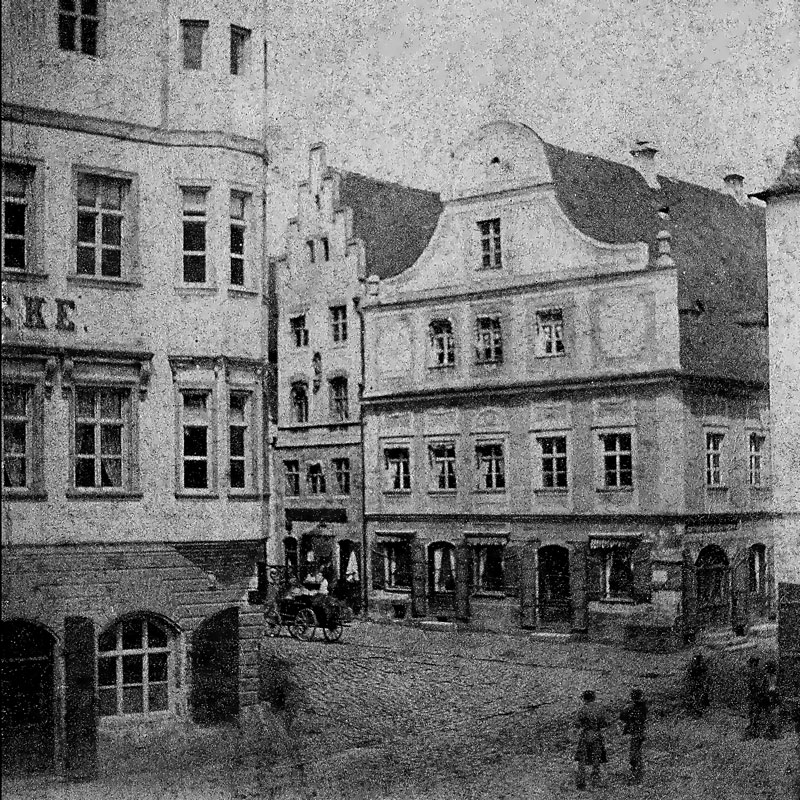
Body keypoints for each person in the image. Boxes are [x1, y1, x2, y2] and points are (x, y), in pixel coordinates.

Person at [574, 690, 608, 790]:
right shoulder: (600, 708)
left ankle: (581, 782)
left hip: (585, 735)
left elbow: (577, 724)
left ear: (584, 698)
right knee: (596, 758)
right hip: (597, 735)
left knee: (582, 759)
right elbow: (605, 723)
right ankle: (595, 780)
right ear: (594, 697)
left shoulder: (582, 709)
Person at [620, 688, 648, 783]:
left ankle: (635, 773)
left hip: (634, 731)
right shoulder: (643, 706)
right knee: (638, 751)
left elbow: (622, 716)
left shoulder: (630, 707)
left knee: (634, 752)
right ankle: (638, 772)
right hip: (640, 731)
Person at [744, 655, 768, 739]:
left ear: (753, 663)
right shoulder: (761, 673)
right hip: (759, 697)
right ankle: (756, 731)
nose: (749, 665)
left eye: (750, 663)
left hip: (756, 697)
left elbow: (754, 686)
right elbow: (764, 686)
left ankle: (754, 732)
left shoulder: (753, 673)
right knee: (756, 714)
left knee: (754, 714)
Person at [686, 652, 710, 717]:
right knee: (696, 696)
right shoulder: (693, 667)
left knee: (699, 695)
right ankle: (697, 710)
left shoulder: (699, 667)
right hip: (695, 684)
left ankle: (700, 709)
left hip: (697, 683)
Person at [763, 661, 781, 740]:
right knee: (771, 714)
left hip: (772, 696)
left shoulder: (772, 677)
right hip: (771, 696)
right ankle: (771, 732)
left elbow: (772, 687)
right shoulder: (770, 677)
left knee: (772, 714)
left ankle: (772, 732)